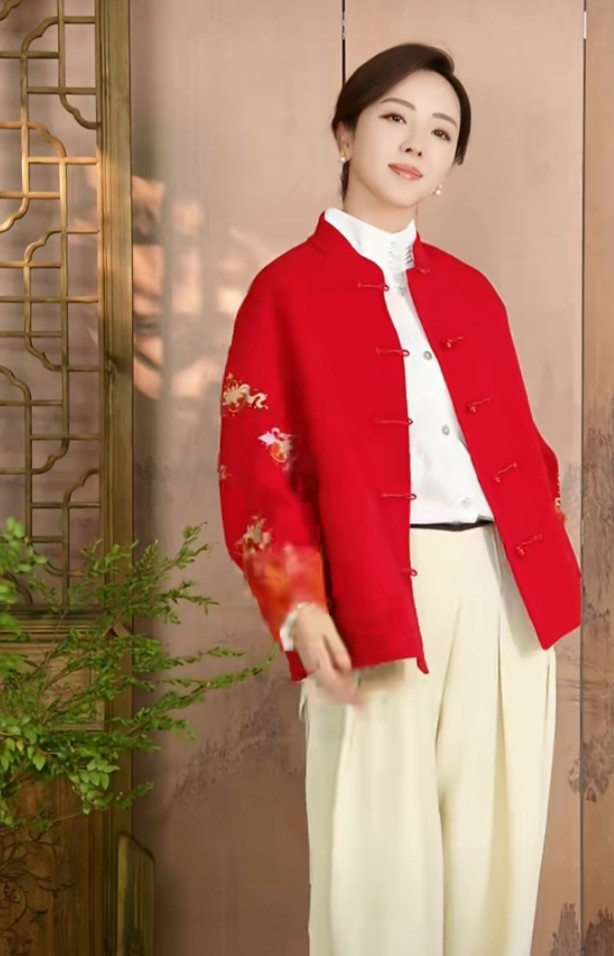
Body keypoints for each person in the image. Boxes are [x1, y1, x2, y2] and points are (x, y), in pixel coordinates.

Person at [218, 42, 581, 956]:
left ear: (451, 164)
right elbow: (257, 470)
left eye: (441, 131)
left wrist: (540, 548)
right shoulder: (283, 292)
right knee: (378, 871)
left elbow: (524, 452)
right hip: (372, 592)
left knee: (494, 861)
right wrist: (299, 607)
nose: (418, 142)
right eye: (394, 117)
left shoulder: (473, 294)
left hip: (504, 599)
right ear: (345, 133)